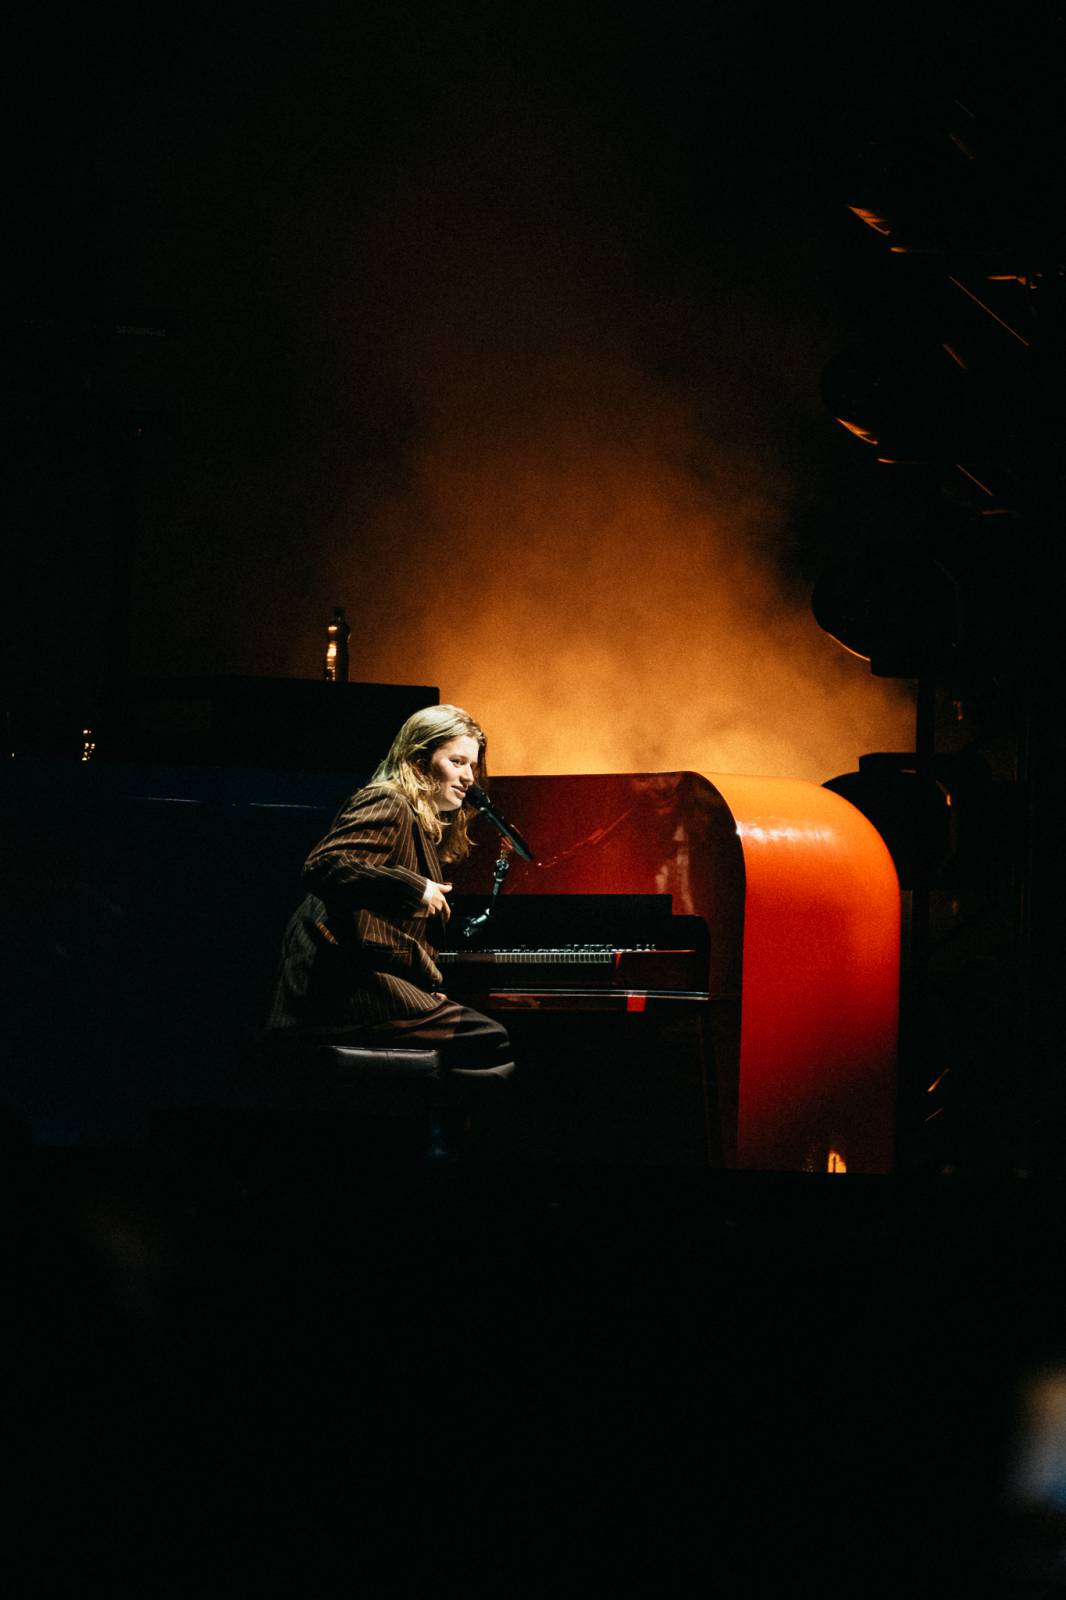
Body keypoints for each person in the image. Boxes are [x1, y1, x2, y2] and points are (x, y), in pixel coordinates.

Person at [265, 704, 514, 1084]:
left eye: (473, 766)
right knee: (489, 1041)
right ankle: (430, 1138)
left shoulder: (415, 817)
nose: (470, 779)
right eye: (457, 762)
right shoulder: (388, 801)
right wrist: (415, 888)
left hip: (363, 990)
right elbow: (325, 865)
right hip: (341, 996)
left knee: (483, 1037)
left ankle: (423, 1131)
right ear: (418, 760)